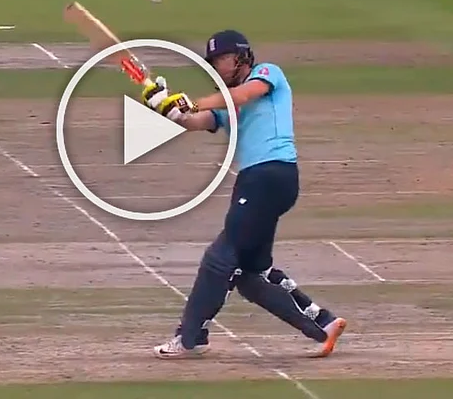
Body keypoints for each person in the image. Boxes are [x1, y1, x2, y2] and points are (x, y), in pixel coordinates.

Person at [141, 29, 347, 359]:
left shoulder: (267, 74)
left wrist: (189, 101)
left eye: (221, 59)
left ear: (241, 57)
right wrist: (164, 108)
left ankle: (190, 337)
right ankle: (323, 324)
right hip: (257, 182)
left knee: (220, 259)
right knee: (251, 273)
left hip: (270, 175)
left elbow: (244, 94)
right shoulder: (227, 100)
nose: (216, 67)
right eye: (213, 62)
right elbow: (195, 121)